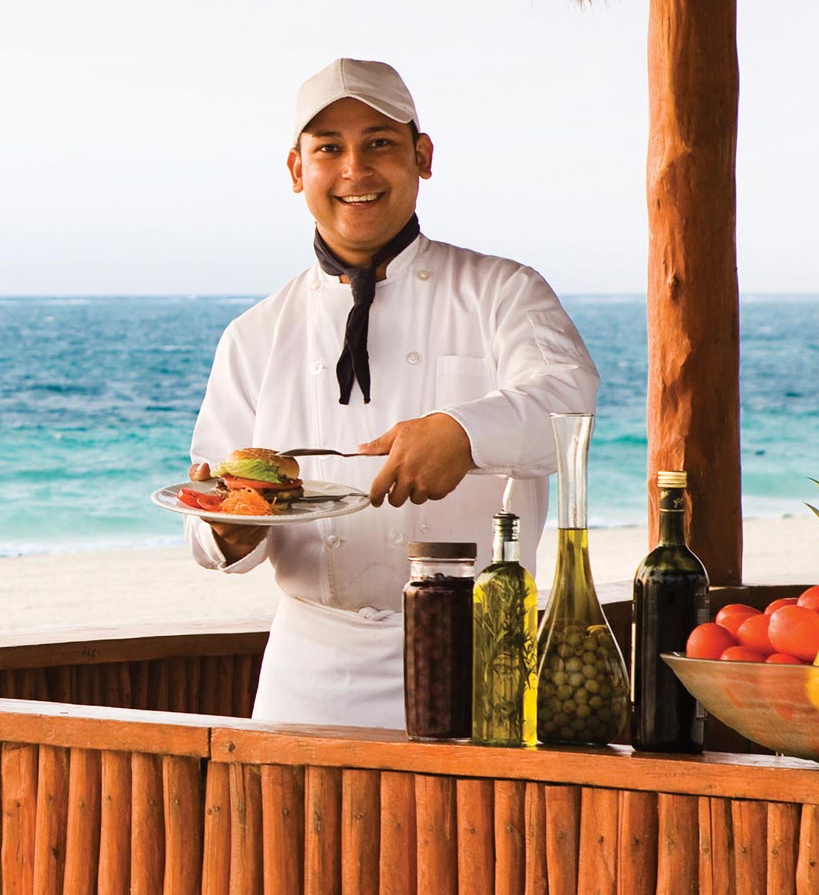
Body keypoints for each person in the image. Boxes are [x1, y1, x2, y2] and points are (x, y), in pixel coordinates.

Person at [187, 58, 600, 728]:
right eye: (329, 148)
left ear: (422, 156)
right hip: (308, 670)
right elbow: (209, 515)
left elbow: (568, 398)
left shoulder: (504, 291)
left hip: (478, 658)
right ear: (297, 171)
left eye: (379, 142)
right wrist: (227, 532)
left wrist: (462, 434)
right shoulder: (254, 333)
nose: (355, 169)